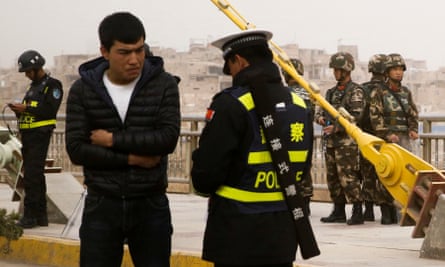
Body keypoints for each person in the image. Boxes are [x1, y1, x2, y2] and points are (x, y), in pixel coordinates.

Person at [192, 29, 319, 267]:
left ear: (238, 61)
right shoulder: (300, 106)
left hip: (237, 232)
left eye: (230, 69)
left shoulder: (232, 104)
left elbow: (206, 176)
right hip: (283, 232)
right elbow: (303, 166)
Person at [65, 12, 180, 267]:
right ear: (104, 51)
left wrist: (112, 140)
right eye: (124, 52)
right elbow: (77, 149)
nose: (134, 60)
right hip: (102, 203)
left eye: (139, 50)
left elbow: (167, 139)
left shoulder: (163, 85)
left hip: (150, 203)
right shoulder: (83, 90)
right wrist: (132, 157)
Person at [10, 50, 63, 229]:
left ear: (36, 68)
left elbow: (49, 110)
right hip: (28, 136)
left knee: (32, 176)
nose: (26, 75)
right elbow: (30, 109)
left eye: (28, 71)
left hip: (40, 135)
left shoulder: (53, 85)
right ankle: (41, 216)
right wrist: (19, 111)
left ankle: (30, 216)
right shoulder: (32, 87)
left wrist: (25, 108)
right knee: (35, 176)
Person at [314, 51, 365, 225]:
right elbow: (320, 110)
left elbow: (356, 115)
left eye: (338, 69)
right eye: (334, 69)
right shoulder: (330, 92)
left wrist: (336, 127)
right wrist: (320, 118)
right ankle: (338, 210)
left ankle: (357, 210)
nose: (335, 73)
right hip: (331, 142)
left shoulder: (355, 91)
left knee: (348, 177)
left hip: (346, 143)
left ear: (347, 70)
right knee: (333, 177)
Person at [369, 53, 419, 224]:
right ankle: (386, 211)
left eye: (400, 69)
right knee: (386, 174)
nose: (398, 73)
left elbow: (413, 113)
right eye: (394, 69)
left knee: (406, 174)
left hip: (404, 140)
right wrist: (386, 134)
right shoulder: (379, 92)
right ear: (387, 72)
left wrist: (413, 129)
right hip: (388, 141)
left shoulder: (406, 92)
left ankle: (402, 209)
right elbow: (375, 116)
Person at [282, 58, 314, 214]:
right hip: (306, 134)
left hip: (289, 134)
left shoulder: (285, 94)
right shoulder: (309, 92)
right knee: (305, 168)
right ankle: (306, 203)